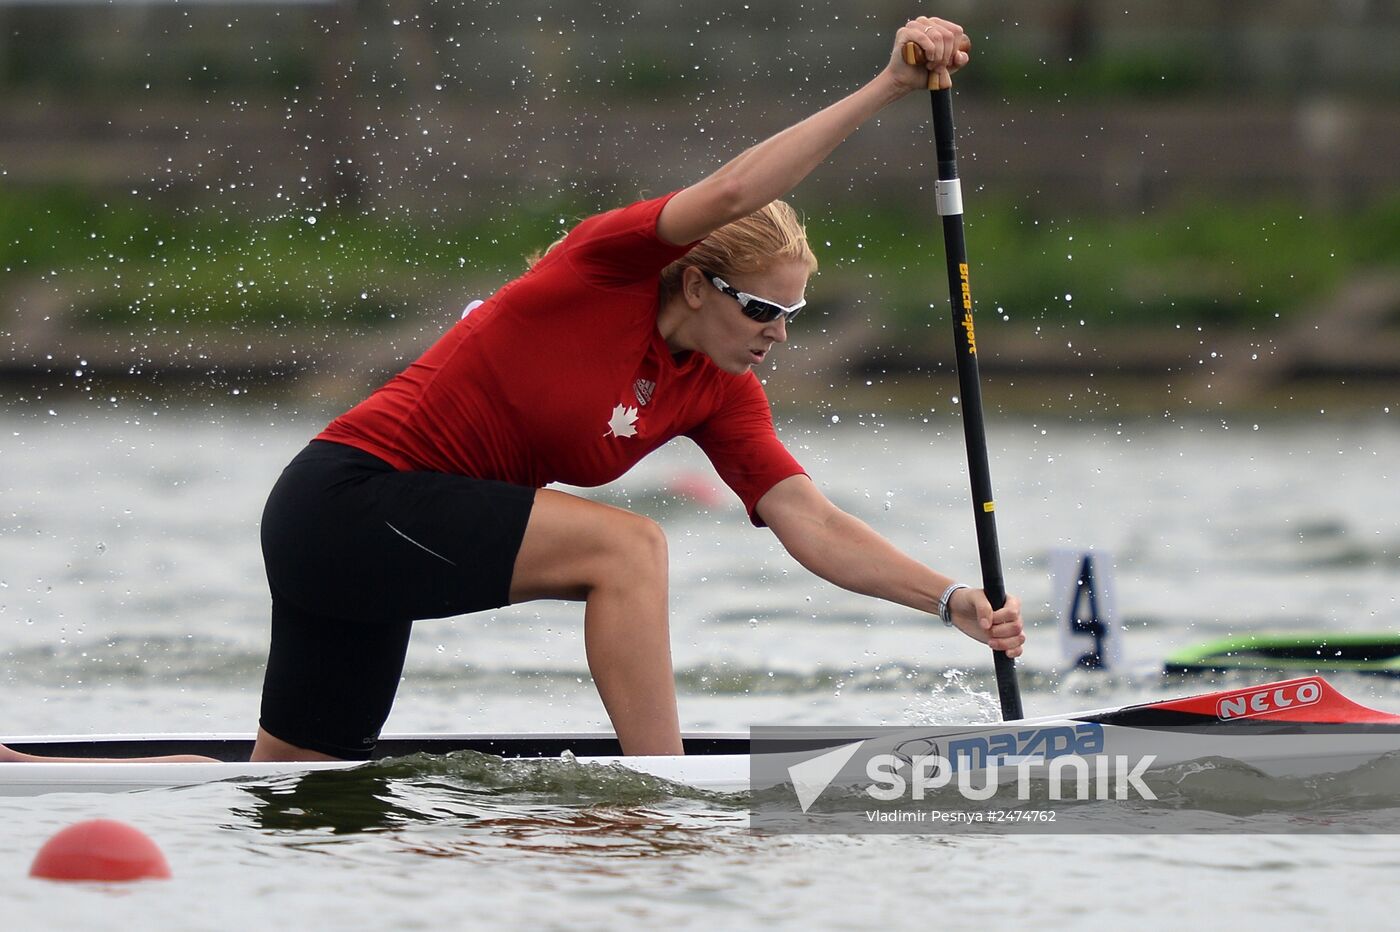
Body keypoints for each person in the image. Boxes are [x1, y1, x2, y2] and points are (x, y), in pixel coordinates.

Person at [1, 15, 1022, 767]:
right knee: (630, 544)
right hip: (343, 501)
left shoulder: (714, 389)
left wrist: (950, 600)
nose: (778, 335)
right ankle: (657, 788)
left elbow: (808, 518)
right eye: (763, 310)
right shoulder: (600, 268)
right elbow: (725, 193)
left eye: (793, 316)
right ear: (698, 280)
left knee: (295, 779)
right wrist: (885, 88)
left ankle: (23, 776)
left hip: (375, 539)